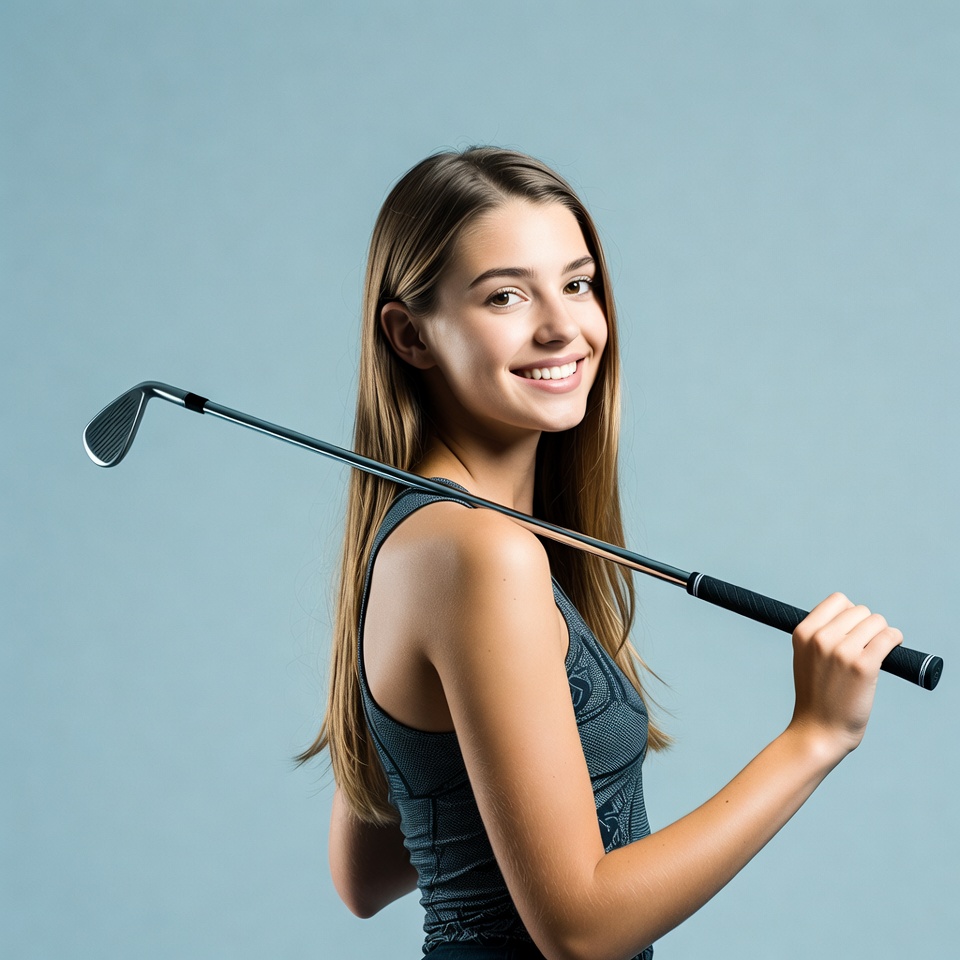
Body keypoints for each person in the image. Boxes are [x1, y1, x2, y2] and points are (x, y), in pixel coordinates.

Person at [297, 147, 903, 960]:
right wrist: (814, 737)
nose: (563, 327)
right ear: (411, 336)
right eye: (505, 295)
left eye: (578, 284)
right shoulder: (480, 554)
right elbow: (581, 932)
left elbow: (366, 872)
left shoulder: (425, 542)